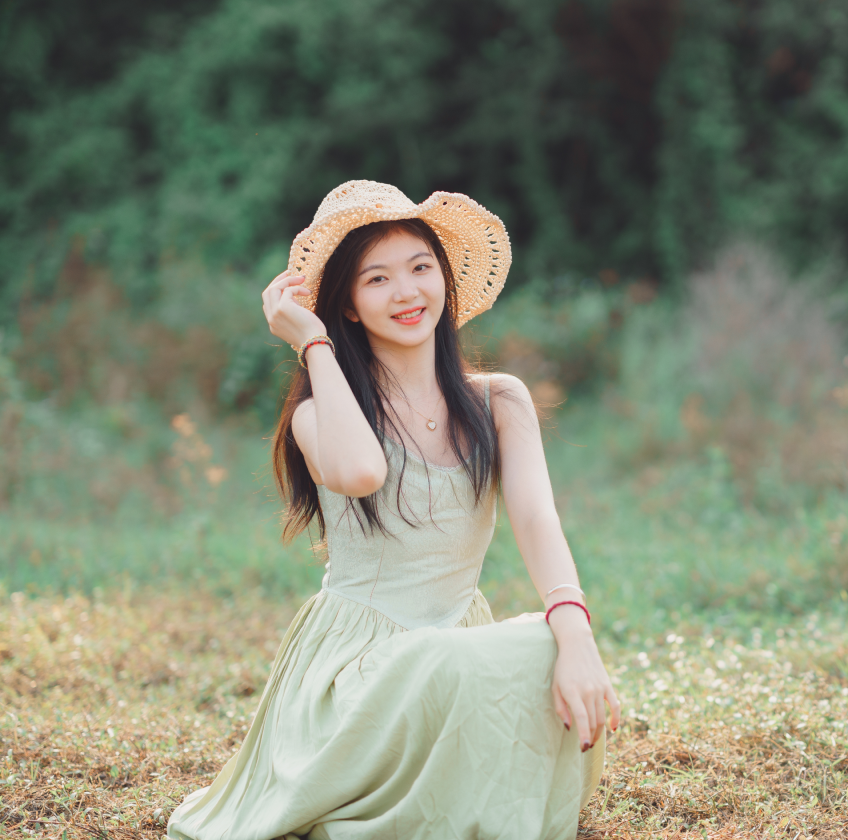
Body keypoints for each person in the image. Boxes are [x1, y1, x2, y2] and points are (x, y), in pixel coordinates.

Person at [168, 180, 619, 840]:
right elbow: (360, 471)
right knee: (452, 662)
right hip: (358, 670)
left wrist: (575, 634)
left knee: (544, 643)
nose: (407, 293)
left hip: (457, 650)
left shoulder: (501, 400)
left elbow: (536, 517)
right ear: (348, 305)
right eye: (376, 279)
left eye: (420, 268)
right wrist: (312, 343)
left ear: (444, 280)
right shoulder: (320, 416)